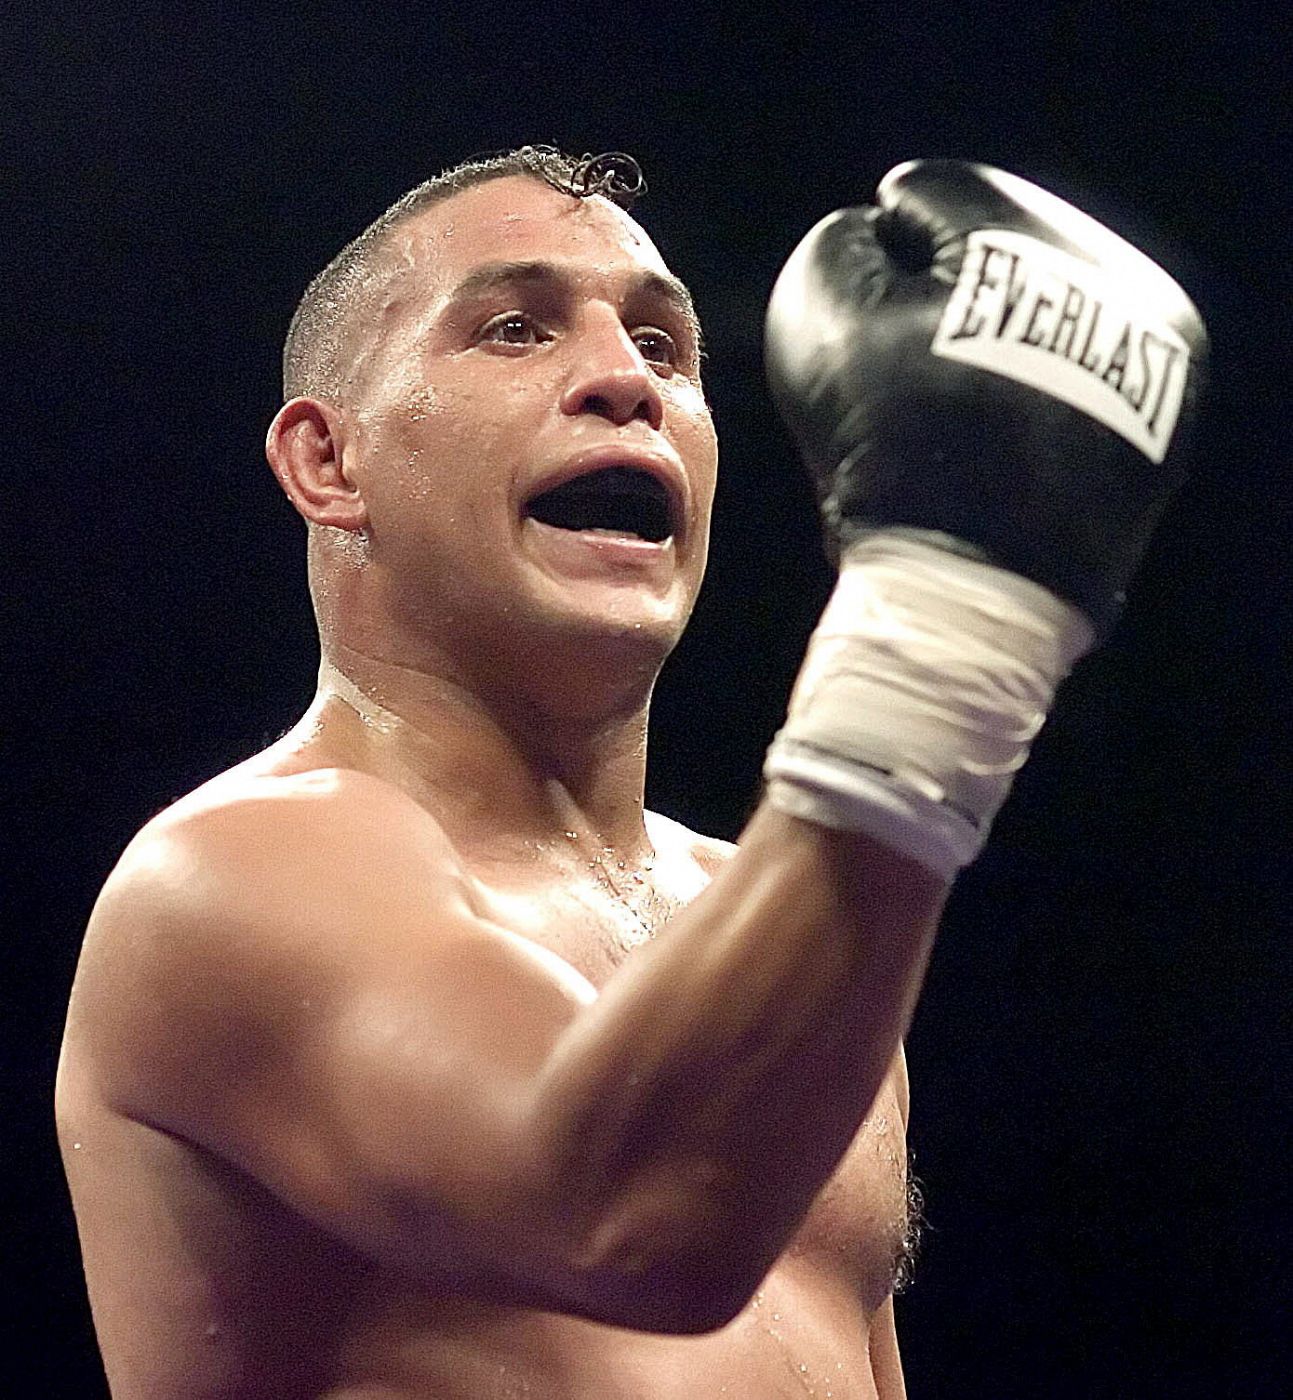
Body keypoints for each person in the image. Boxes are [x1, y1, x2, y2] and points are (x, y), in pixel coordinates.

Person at [56, 146, 1205, 1399]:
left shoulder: (774, 922)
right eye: (513, 329)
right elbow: (632, 1215)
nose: (622, 381)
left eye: (665, 349)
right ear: (330, 464)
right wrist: (950, 624)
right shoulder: (228, 880)